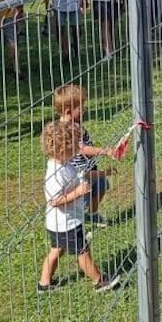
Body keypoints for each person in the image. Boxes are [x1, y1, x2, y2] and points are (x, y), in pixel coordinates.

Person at [38, 119, 120, 293]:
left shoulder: (66, 164)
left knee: (56, 250)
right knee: (83, 252)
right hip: (66, 223)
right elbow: (54, 200)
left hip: (62, 222)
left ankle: (44, 284)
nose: (78, 150)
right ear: (62, 150)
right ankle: (99, 281)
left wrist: (104, 173)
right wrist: (78, 192)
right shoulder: (55, 172)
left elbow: (84, 174)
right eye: (74, 147)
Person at [53, 84, 117, 229]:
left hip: (88, 167)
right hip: (77, 172)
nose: (84, 109)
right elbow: (81, 148)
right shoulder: (67, 129)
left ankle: (92, 214)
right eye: (81, 107)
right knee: (82, 196)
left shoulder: (75, 124)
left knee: (101, 185)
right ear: (69, 111)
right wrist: (105, 151)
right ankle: (76, 223)